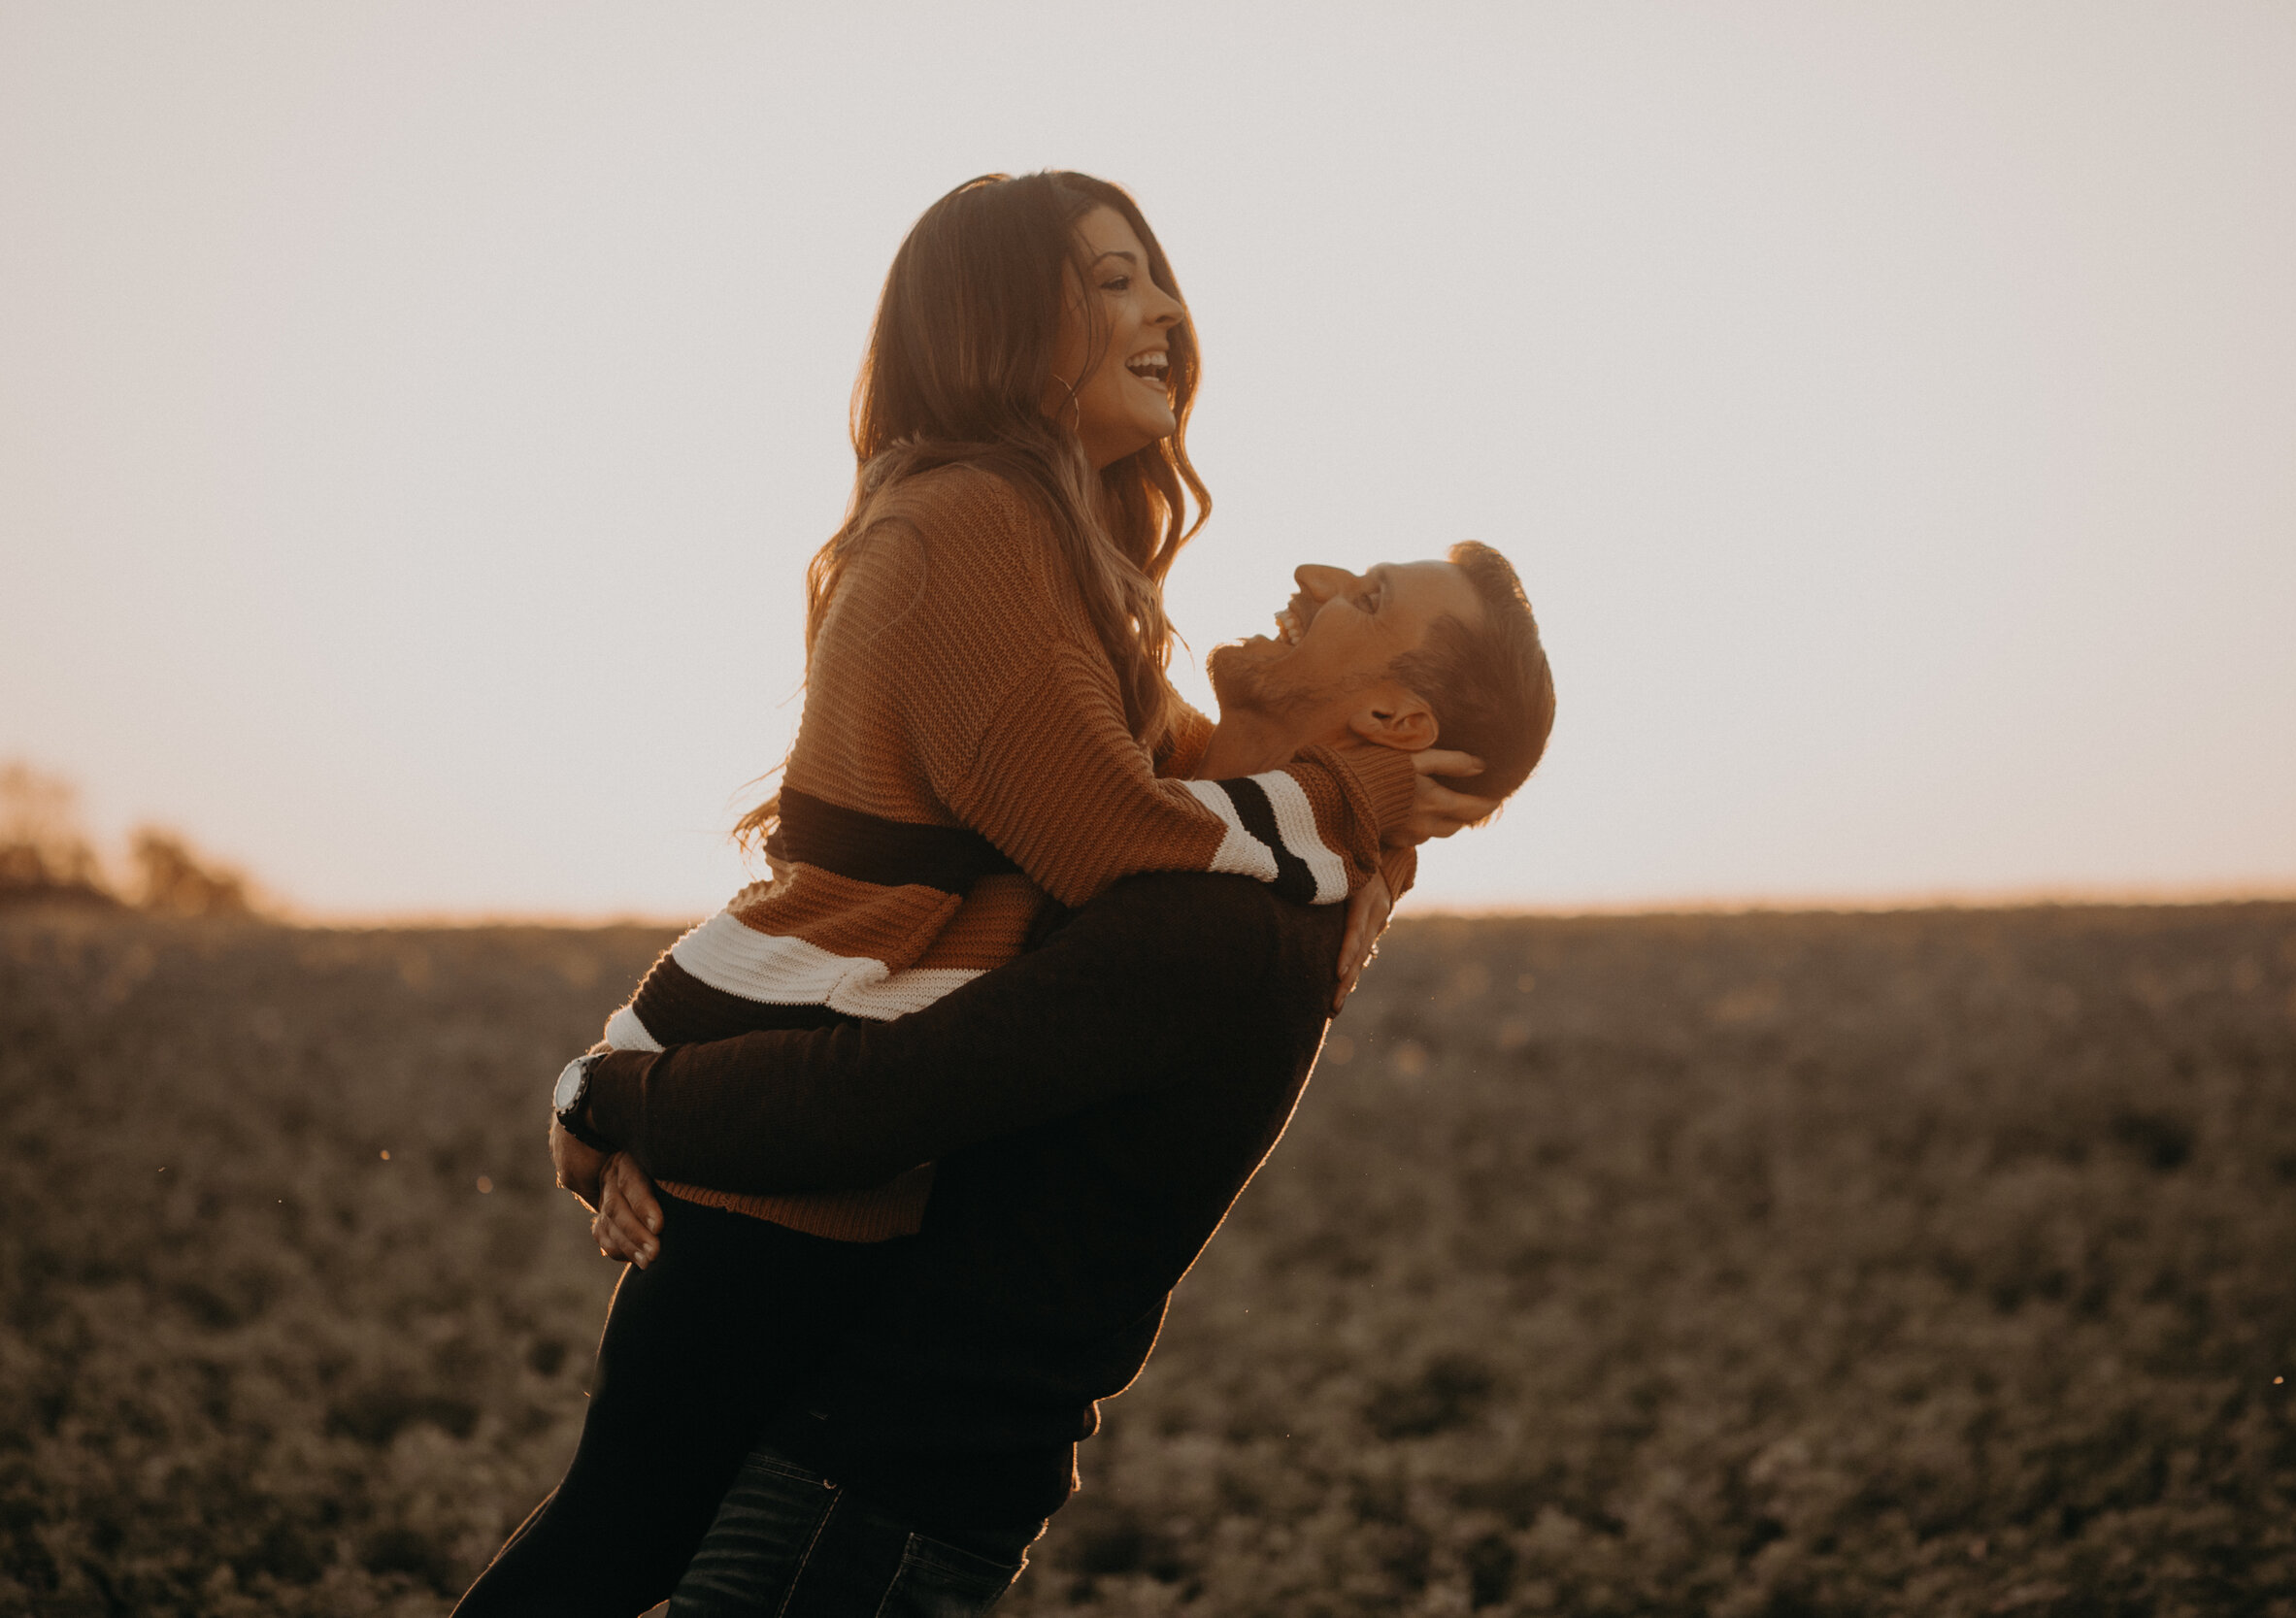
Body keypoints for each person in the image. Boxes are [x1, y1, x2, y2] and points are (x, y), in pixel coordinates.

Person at [450, 170, 1489, 1617]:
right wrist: (1355, 807)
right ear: (1002, 323)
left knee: (622, 1535)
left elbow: (1186, 789)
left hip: (796, 1079)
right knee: (614, 1542)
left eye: (1156, 276)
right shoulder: (980, 522)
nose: (1164, 311)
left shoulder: (1055, 548)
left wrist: (1369, 844)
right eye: (1114, 280)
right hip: (789, 1088)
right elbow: (1115, 833)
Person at [562, 540, 1556, 1615]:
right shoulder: (1194, 839)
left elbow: (869, 1099)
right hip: (846, 1453)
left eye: (1366, 598)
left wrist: (611, 1093)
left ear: (1396, 724)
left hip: (874, 1493)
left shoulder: (1219, 924)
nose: (1311, 575)